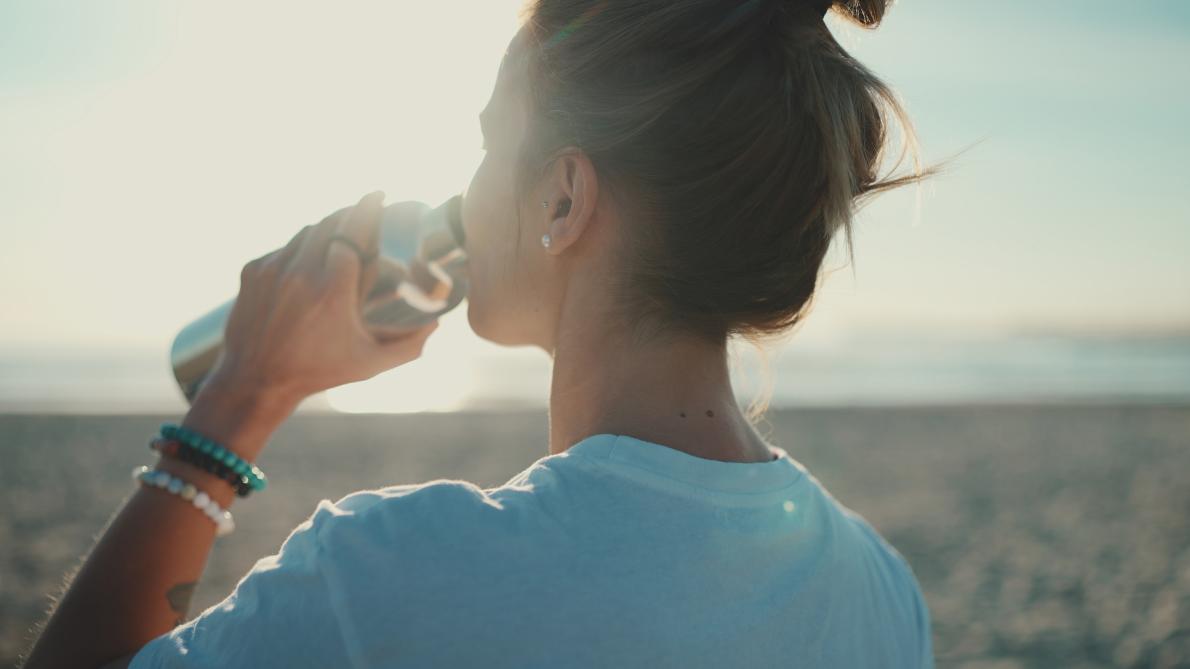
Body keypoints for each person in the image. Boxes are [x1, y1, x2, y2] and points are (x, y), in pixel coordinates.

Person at [24, 0, 949, 666]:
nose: (466, 190)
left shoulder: (393, 571)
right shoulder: (882, 592)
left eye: (485, 142)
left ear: (562, 196)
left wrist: (237, 403)